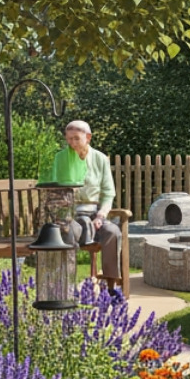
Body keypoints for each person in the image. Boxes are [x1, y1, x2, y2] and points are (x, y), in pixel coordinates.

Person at [63, 120, 124, 291]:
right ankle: (68, 284)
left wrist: (101, 215)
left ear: (88, 137)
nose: (72, 143)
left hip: (94, 212)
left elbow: (108, 192)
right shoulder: (62, 159)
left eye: (76, 139)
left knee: (112, 232)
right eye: (69, 139)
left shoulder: (100, 159)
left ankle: (110, 284)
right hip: (71, 214)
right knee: (69, 232)